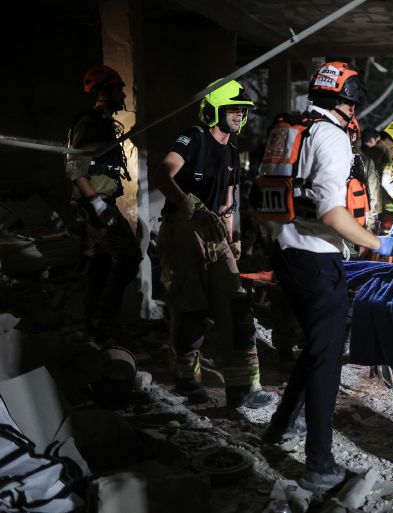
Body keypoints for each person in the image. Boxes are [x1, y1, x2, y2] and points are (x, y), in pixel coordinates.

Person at [252, 61, 393, 493]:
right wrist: (382, 243)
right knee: (327, 357)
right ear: (347, 103)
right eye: (354, 105)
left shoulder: (288, 129)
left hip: (285, 253)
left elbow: (266, 194)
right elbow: (331, 213)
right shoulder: (331, 137)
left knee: (317, 345)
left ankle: (281, 425)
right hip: (316, 258)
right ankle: (319, 464)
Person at [154, 79, 277, 411]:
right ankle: (187, 380)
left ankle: (245, 388)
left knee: (237, 306)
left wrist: (232, 240)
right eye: (233, 109)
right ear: (214, 111)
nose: (239, 115)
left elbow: (227, 204)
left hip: (215, 233)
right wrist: (191, 206)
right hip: (183, 230)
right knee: (191, 310)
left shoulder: (232, 153)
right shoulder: (193, 139)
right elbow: (163, 175)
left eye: (243, 110)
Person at [65, 65, 142, 344]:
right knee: (129, 256)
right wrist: (97, 204)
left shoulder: (104, 123)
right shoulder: (91, 123)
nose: (123, 94)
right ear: (103, 91)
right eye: (119, 89)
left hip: (101, 201)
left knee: (99, 263)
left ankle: (94, 327)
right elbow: (74, 167)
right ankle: (104, 321)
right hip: (94, 203)